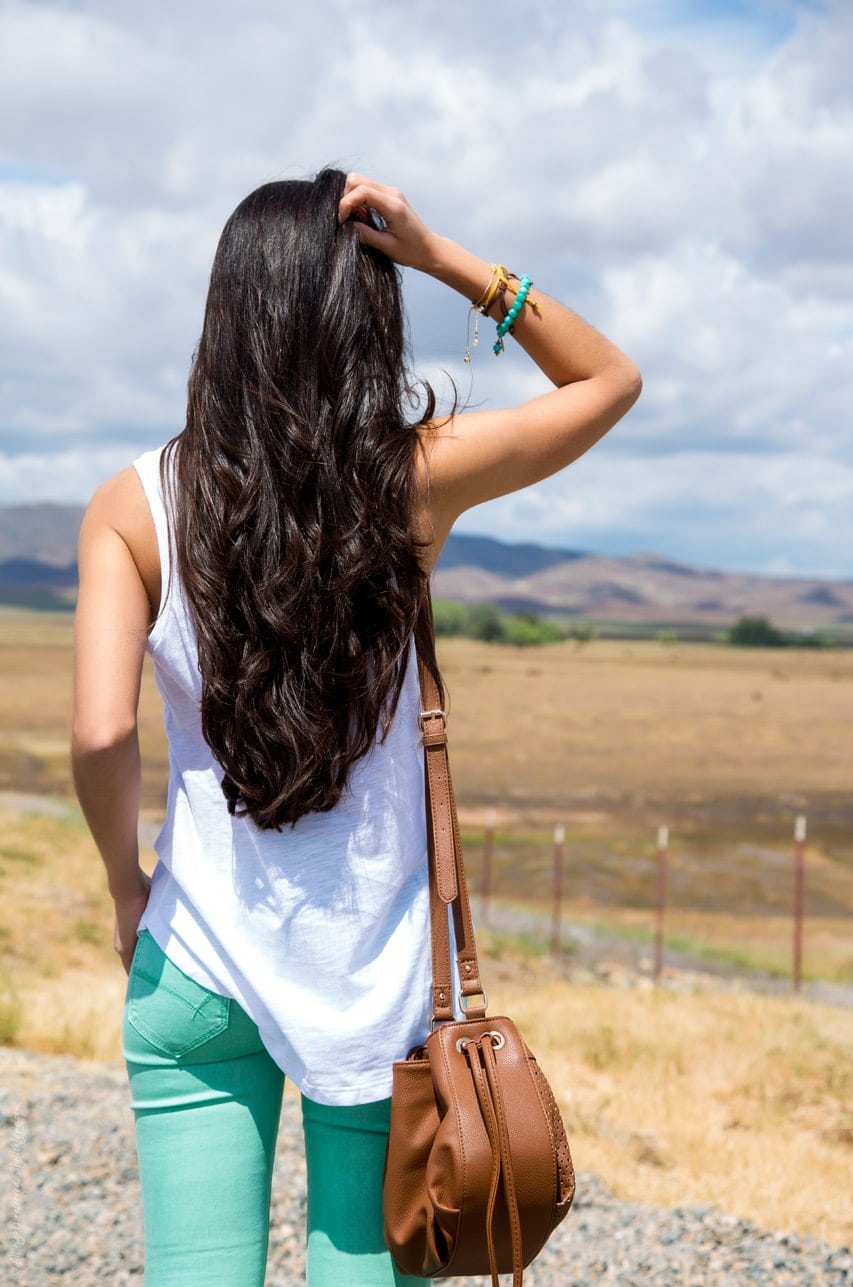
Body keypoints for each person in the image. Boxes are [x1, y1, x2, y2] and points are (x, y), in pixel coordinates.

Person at [71, 169, 641, 1286]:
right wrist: (443, 259)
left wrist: (126, 890)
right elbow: (609, 380)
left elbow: (99, 736)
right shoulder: (413, 481)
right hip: (372, 988)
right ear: (360, 320)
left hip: (193, 962)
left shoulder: (129, 504)